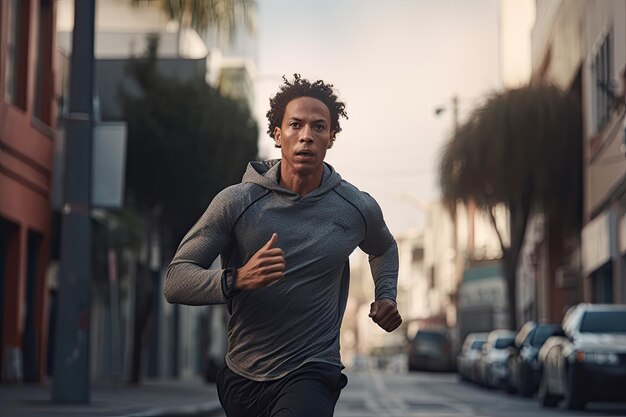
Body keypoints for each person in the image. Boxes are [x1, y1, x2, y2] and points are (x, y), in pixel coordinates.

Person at [164, 74, 402, 417]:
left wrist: (386, 294)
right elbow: (175, 281)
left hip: (313, 369)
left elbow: (383, 247)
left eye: (319, 127)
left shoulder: (355, 207)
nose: (306, 136)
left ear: (331, 138)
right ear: (277, 135)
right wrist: (237, 278)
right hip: (244, 373)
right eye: (295, 125)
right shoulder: (237, 202)